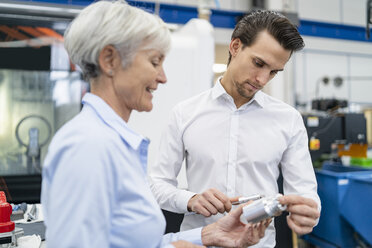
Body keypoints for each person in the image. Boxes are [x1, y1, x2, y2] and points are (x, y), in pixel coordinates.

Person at [41, 1, 271, 248]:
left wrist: (208, 235)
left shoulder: (112, 143)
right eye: (154, 62)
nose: (162, 77)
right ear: (109, 60)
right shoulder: (88, 146)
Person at [149, 10, 321, 247]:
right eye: (258, 63)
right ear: (235, 46)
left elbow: (304, 192)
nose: (262, 79)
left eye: (273, 72)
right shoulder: (185, 113)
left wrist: (308, 210)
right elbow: (158, 184)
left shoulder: (288, 119)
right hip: (198, 242)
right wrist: (192, 199)